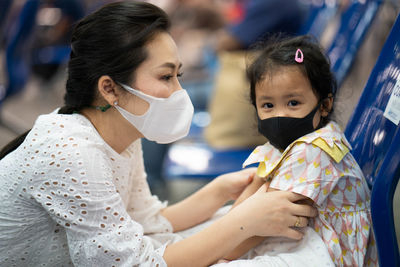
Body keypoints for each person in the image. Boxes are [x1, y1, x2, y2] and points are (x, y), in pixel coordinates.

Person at [0, 2, 318, 266]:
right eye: (166, 76)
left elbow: (144, 221)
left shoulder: (121, 133)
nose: (179, 92)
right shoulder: (72, 153)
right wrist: (242, 223)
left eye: (177, 75)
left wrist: (220, 191)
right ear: (110, 88)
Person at [218, 35, 378, 266]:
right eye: (268, 105)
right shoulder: (288, 145)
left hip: (329, 253)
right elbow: (247, 204)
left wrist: (221, 252)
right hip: (301, 242)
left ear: (324, 105)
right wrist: (224, 236)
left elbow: (257, 228)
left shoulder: (313, 151)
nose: (279, 114)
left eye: (293, 103)